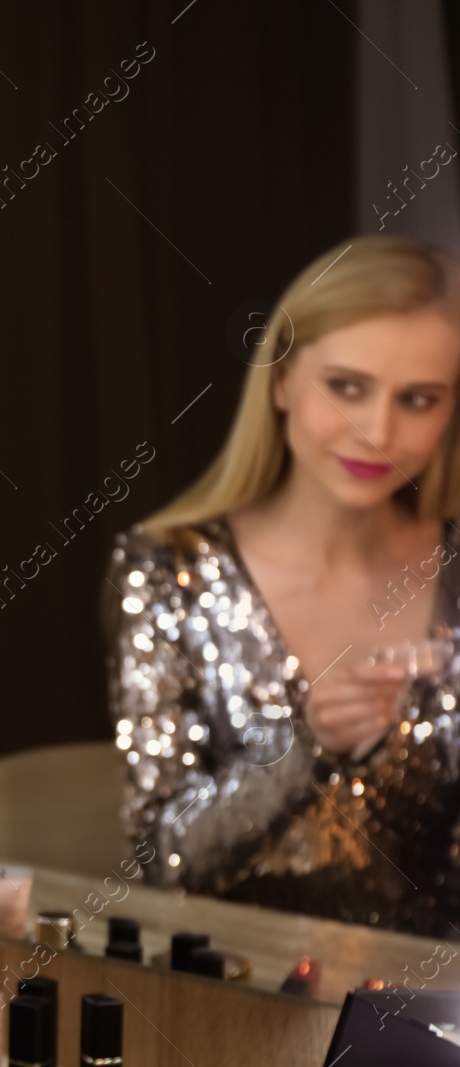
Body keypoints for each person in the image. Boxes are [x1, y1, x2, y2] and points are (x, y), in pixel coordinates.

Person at [105, 234, 460, 937]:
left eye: (417, 399)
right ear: (281, 379)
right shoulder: (169, 571)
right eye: (346, 387)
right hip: (234, 997)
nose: (377, 431)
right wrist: (306, 749)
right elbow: (159, 859)